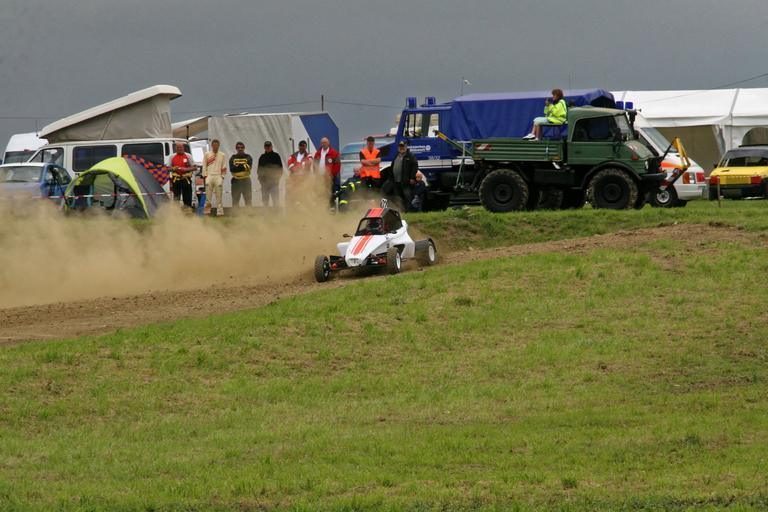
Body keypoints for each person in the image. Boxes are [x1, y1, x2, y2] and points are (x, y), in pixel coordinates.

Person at [389, 140, 419, 209]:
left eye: (403, 146)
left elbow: (415, 167)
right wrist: (391, 178)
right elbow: (392, 166)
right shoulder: (396, 155)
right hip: (396, 181)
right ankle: (400, 210)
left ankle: (410, 210)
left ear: (406, 146)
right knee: (398, 197)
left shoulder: (410, 155)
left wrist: (412, 178)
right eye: (400, 146)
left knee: (408, 197)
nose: (401, 148)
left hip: (406, 181)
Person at [313, 137, 341, 209]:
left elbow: (337, 166)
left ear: (328, 143)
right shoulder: (317, 153)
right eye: (322, 143)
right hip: (320, 178)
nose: (324, 144)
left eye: (325, 142)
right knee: (320, 194)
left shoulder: (334, 153)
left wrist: (330, 175)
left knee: (330, 194)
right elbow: (314, 165)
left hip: (330, 178)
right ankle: (321, 209)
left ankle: (331, 209)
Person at [202, 139, 227, 216]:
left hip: (218, 176)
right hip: (209, 176)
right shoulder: (207, 154)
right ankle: (207, 212)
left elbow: (224, 166)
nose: (215, 146)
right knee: (208, 197)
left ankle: (220, 212)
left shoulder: (222, 155)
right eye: (214, 145)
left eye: (217, 145)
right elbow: (204, 165)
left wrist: (222, 176)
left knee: (219, 196)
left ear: (219, 146)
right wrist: (205, 176)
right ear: (212, 145)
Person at [286, 140, 313, 206]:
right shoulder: (293, 156)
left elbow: (308, 163)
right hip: (294, 180)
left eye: (303, 146)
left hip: (305, 180)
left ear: (306, 147)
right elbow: (290, 165)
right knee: (293, 196)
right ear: (298, 147)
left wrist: (297, 166)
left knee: (304, 196)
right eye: (300, 146)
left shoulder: (309, 156)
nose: (302, 148)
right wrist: (299, 167)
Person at [257, 140, 283, 209]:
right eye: (266, 146)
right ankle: (266, 215)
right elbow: (259, 170)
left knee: (276, 201)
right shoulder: (262, 157)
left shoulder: (276, 156)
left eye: (269, 146)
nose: (267, 148)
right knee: (265, 202)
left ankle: (276, 214)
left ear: (271, 147)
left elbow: (280, 169)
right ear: (264, 147)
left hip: (274, 184)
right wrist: (261, 180)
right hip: (264, 184)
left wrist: (277, 179)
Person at [170, 142, 196, 209]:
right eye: (178, 147)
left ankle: (188, 211)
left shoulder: (188, 156)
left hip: (186, 179)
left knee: (187, 197)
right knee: (176, 198)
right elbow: (167, 168)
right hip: (176, 180)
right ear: (175, 149)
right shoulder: (172, 156)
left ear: (183, 148)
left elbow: (195, 167)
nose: (179, 149)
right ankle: (176, 212)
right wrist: (173, 168)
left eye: (181, 147)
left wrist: (186, 169)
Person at [229, 141, 253, 208]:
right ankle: (236, 213)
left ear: (244, 148)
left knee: (248, 200)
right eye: (238, 147)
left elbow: (248, 168)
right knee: (235, 201)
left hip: (246, 181)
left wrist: (237, 165)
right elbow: (232, 169)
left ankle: (249, 213)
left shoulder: (248, 157)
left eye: (241, 147)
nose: (240, 149)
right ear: (236, 148)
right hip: (236, 181)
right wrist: (243, 165)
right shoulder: (233, 157)